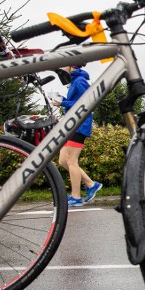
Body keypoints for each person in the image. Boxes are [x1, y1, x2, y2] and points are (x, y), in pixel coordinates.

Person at [51, 64, 102, 207]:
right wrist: (62, 101)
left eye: (63, 65)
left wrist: (63, 102)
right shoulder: (75, 80)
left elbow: (85, 103)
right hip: (71, 124)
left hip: (79, 125)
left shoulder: (80, 81)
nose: (61, 68)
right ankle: (91, 184)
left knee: (71, 160)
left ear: (71, 66)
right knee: (62, 161)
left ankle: (76, 197)